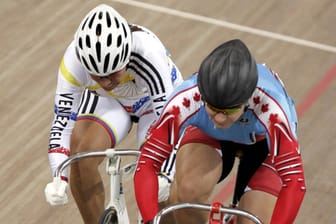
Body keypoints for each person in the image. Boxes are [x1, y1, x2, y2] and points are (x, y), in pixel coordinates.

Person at [134, 39, 306, 224]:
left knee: (254, 221)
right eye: (214, 108)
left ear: (248, 99)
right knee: (187, 194)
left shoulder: (273, 108)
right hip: (211, 135)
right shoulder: (187, 97)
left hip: (263, 145)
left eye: (229, 110)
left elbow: (295, 182)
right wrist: (150, 219)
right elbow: (147, 164)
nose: (220, 118)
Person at [44, 4, 183, 224]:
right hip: (111, 102)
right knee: (81, 161)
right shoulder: (73, 63)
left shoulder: (148, 52)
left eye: (112, 73)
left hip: (152, 104)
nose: (107, 82)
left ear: (126, 56)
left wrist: (166, 173)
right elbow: (62, 122)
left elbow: (170, 122)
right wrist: (58, 175)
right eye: (99, 76)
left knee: (156, 179)